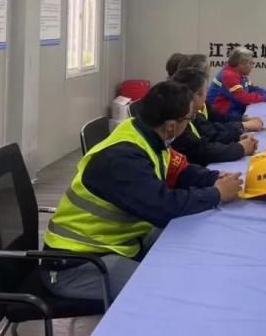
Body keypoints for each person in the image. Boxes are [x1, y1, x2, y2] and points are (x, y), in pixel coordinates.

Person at [41, 81, 243, 301]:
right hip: (77, 264)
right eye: (188, 119)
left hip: (118, 244)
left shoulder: (146, 135)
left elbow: (180, 172)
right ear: (171, 126)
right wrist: (216, 193)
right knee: (170, 292)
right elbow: (164, 207)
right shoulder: (123, 158)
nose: (190, 122)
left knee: (188, 248)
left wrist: (216, 178)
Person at [171, 67, 258, 164]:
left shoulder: (193, 113)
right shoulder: (180, 120)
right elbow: (202, 151)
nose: (208, 93)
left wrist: (236, 136)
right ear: (196, 95)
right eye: (206, 90)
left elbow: (212, 132)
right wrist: (240, 148)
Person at [175, 53, 264, 135]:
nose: (207, 91)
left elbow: (218, 117)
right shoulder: (184, 115)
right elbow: (209, 134)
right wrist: (243, 126)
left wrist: (242, 120)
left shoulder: (201, 105)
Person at [206, 46, 266, 121]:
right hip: (222, 117)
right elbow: (243, 98)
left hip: (233, 112)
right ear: (241, 64)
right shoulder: (229, 76)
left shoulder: (239, 74)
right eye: (250, 63)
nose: (252, 66)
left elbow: (251, 88)